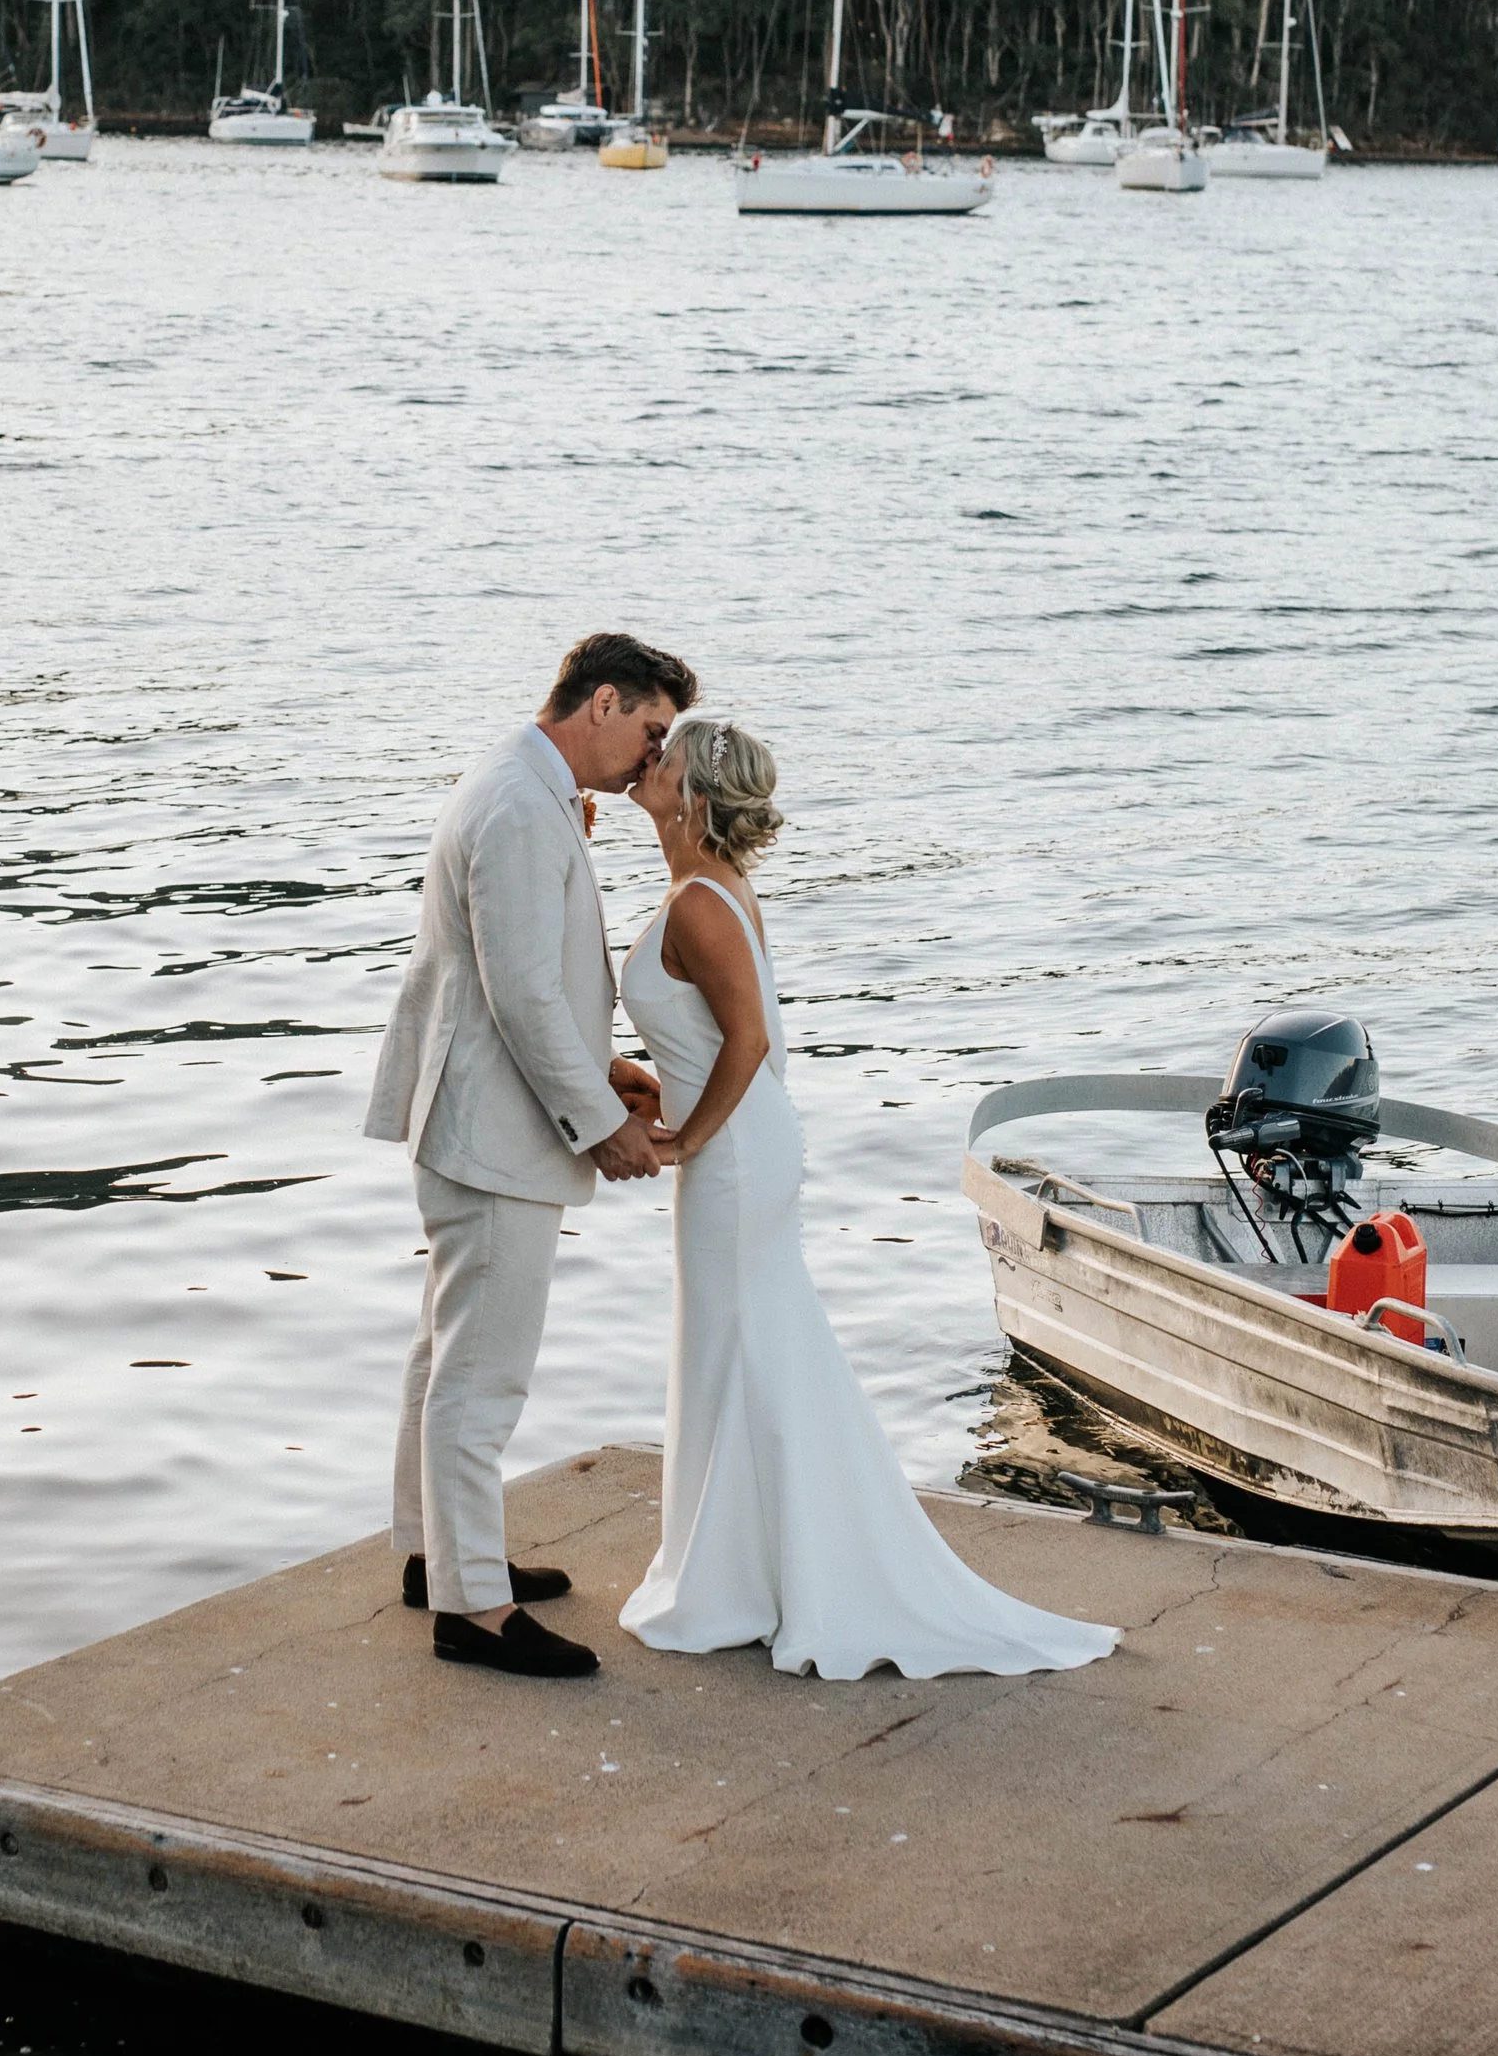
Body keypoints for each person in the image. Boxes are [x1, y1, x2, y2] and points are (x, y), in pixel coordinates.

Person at [618, 713, 1118, 1682]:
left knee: (746, 1340)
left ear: (694, 795)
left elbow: (749, 1045)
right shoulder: (704, 892)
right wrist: (645, 1087)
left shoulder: (699, 904)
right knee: (740, 1341)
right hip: (743, 1147)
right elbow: (707, 1039)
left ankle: (755, 1579)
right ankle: (749, 1571)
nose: (648, 760)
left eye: (663, 756)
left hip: (736, 1154)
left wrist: (688, 1137)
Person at [366, 631, 697, 1680]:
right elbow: (519, 990)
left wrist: (603, 1070)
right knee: (481, 1374)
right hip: (491, 1130)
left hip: (470, 1111)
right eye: (649, 730)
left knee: (443, 1352)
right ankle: (472, 1610)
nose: (652, 758)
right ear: (602, 702)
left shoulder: (517, 781)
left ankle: (434, 1555)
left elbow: (522, 977)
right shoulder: (518, 804)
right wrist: (598, 1124)